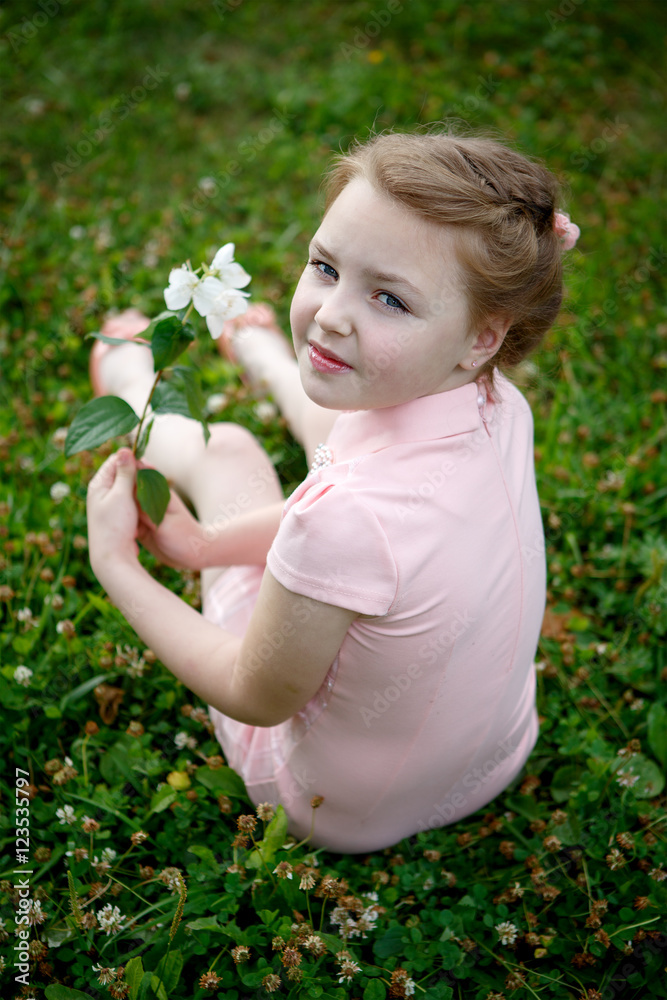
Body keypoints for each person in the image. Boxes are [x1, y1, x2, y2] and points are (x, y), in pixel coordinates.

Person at [86, 129, 580, 854]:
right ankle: (266, 358)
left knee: (229, 451)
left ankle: (136, 389)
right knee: (354, 405)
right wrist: (206, 544)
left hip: (324, 804)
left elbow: (254, 694)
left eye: (389, 297)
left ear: (480, 336)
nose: (331, 312)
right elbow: (376, 533)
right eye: (324, 266)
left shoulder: (340, 524)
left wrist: (119, 568)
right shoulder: (499, 404)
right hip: (491, 759)